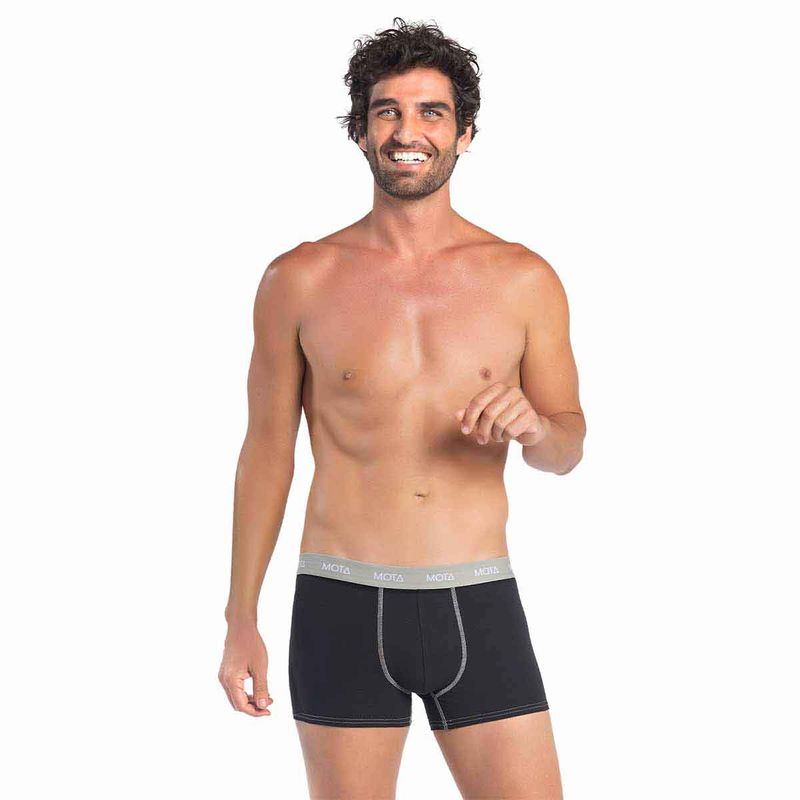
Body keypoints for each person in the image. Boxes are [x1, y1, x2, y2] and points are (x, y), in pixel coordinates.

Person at [219, 17, 585, 800]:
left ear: (464, 134)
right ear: (360, 130)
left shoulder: (524, 279)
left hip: (476, 599)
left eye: (431, 113)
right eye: (387, 111)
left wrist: (535, 428)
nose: (407, 132)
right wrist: (240, 617)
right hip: (340, 602)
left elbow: (567, 446)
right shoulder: (299, 279)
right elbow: (267, 452)